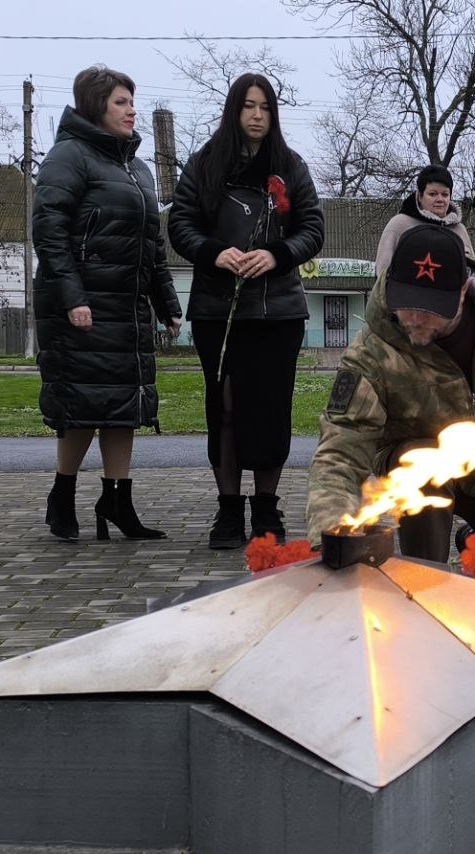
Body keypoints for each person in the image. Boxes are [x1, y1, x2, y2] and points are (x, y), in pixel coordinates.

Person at [306, 224, 475, 605]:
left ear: (463, 291)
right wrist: (331, 532)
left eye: (430, 309)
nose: (415, 319)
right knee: (422, 464)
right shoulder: (373, 353)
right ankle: (425, 583)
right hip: (422, 475)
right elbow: (341, 449)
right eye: (406, 302)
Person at [168, 73, 324, 548]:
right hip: (219, 310)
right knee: (227, 408)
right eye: (249, 107)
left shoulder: (291, 166)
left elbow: (313, 227)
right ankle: (228, 510)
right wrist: (214, 251)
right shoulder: (204, 164)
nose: (257, 116)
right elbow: (180, 223)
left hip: (278, 311)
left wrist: (277, 254)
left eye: (266, 108)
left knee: (272, 409)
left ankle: (267, 510)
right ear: (234, 111)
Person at [32, 66, 182, 542]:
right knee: (83, 404)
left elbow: (152, 244)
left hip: (128, 306)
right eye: (121, 102)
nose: (131, 110)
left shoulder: (136, 169)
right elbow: (49, 233)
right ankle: (63, 494)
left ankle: (118, 500)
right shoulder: (67, 157)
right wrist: (73, 297)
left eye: (132, 101)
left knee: (124, 405)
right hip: (81, 307)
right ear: (96, 105)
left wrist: (167, 302)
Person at [374, 164, 474, 275]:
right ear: (420, 196)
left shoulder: (459, 230)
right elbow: (382, 273)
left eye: (445, 194)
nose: (440, 199)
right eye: (433, 194)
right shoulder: (399, 225)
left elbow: (472, 273)